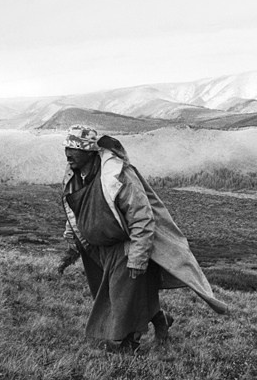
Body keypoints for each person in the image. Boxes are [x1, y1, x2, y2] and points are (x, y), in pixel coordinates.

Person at [58, 125, 227, 353]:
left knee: (122, 298)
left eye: (75, 148)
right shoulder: (76, 176)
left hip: (126, 246)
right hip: (99, 249)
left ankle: (125, 344)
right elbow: (77, 210)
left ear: (89, 152)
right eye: (67, 147)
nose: (68, 154)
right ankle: (160, 320)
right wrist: (72, 240)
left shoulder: (118, 176)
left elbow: (142, 218)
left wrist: (137, 257)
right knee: (115, 293)